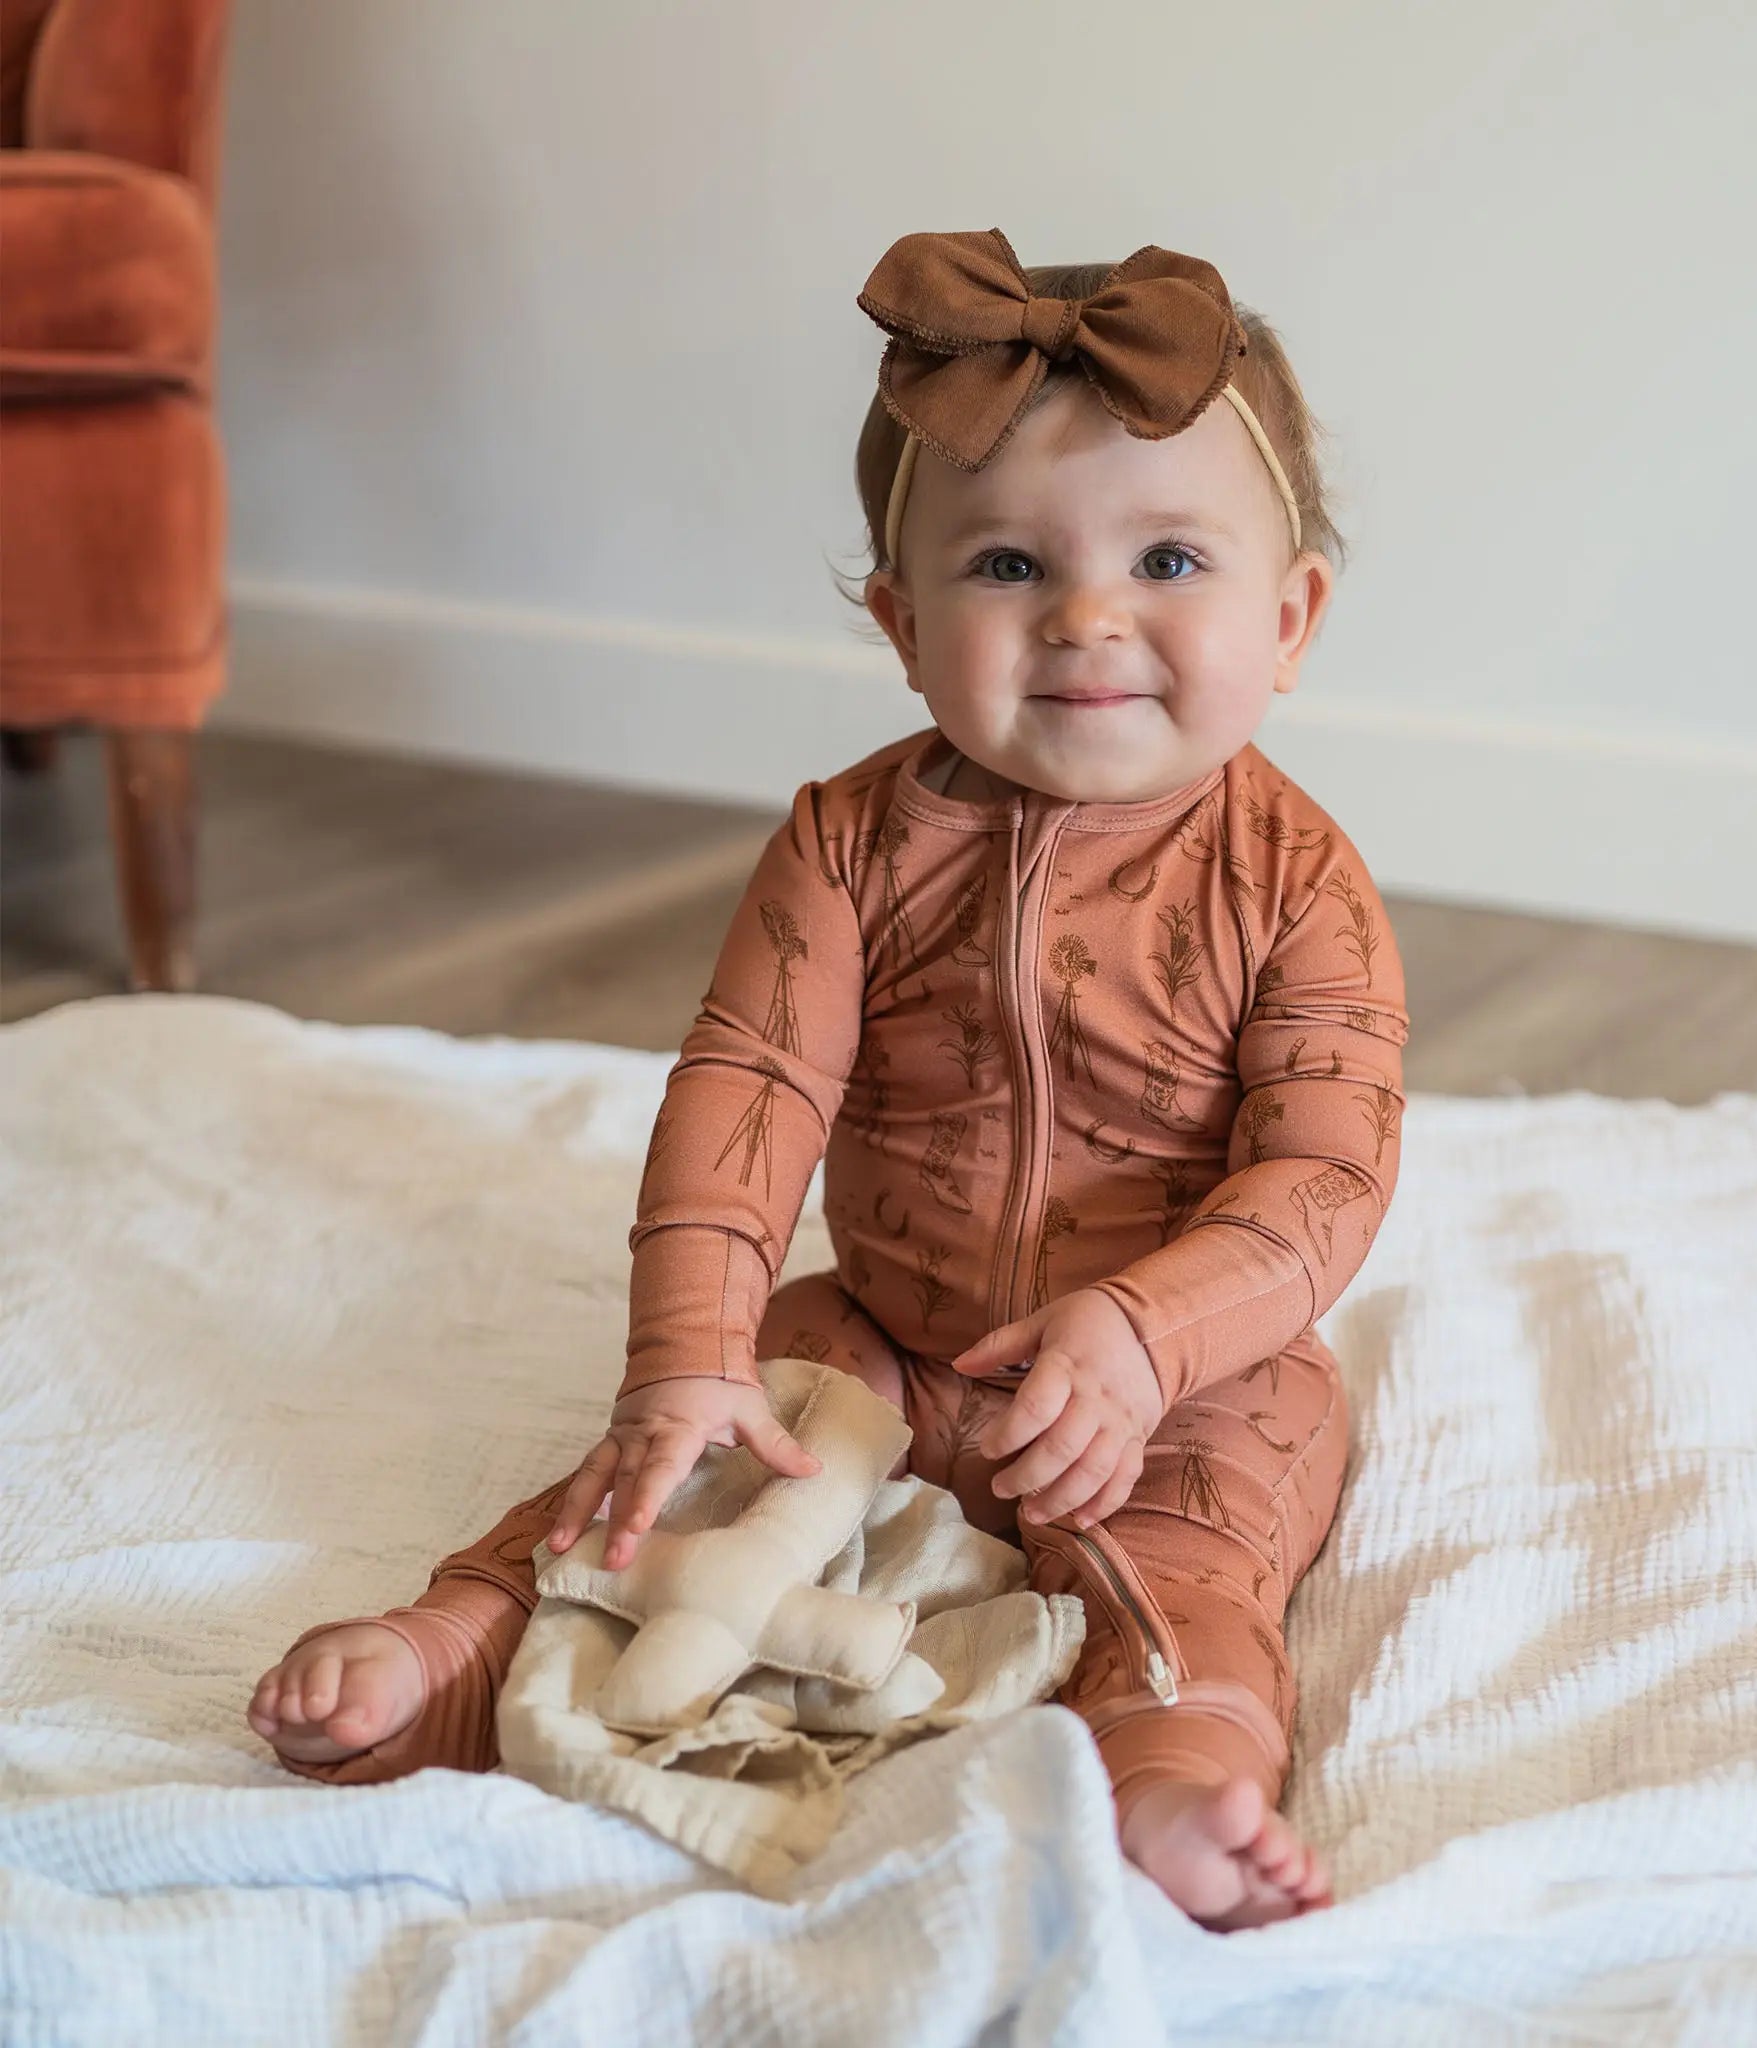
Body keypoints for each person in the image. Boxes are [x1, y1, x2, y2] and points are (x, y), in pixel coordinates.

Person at [248, 228, 1408, 1931]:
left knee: (1197, 1548)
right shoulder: (848, 843)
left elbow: (1326, 1172)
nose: (1089, 615)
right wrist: (686, 1360)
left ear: (1289, 617)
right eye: (1007, 564)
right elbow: (748, 1091)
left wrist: (1151, 1336)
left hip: (1188, 1376)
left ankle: (1174, 1760)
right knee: (683, 1465)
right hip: (893, 1336)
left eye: (1169, 558)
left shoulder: (1298, 880)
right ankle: (472, 1638)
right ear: (903, 624)